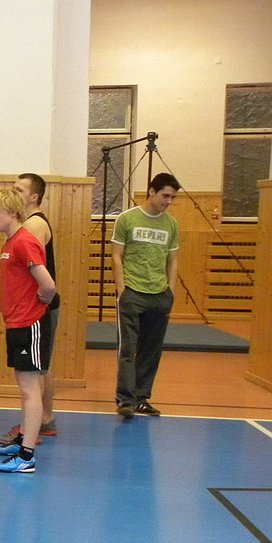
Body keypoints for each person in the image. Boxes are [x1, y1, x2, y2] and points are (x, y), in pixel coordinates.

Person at [0, 188, 56, 473]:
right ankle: (22, 442)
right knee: (25, 387)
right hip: (16, 322)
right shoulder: (10, 242)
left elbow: (48, 285)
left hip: (30, 323)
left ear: (13, 213)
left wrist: (38, 302)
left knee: (30, 389)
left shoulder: (25, 241)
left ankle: (27, 456)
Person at [0, 173, 60, 445]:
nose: (14, 193)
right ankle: (40, 422)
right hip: (27, 311)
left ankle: (32, 431)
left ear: (34, 197)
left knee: (35, 374)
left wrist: (39, 300)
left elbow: (39, 275)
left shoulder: (31, 227)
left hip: (34, 311)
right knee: (38, 370)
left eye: (19, 190)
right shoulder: (20, 232)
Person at [111, 172, 181, 418]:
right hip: (132, 292)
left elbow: (172, 260)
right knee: (128, 349)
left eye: (172, 197)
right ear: (152, 191)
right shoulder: (127, 219)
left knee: (152, 350)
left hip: (159, 294)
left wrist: (170, 292)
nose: (169, 201)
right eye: (165, 195)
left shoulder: (171, 224)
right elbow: (117, 255)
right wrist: (122, 290)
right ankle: (125, 400)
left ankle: (141, 398)